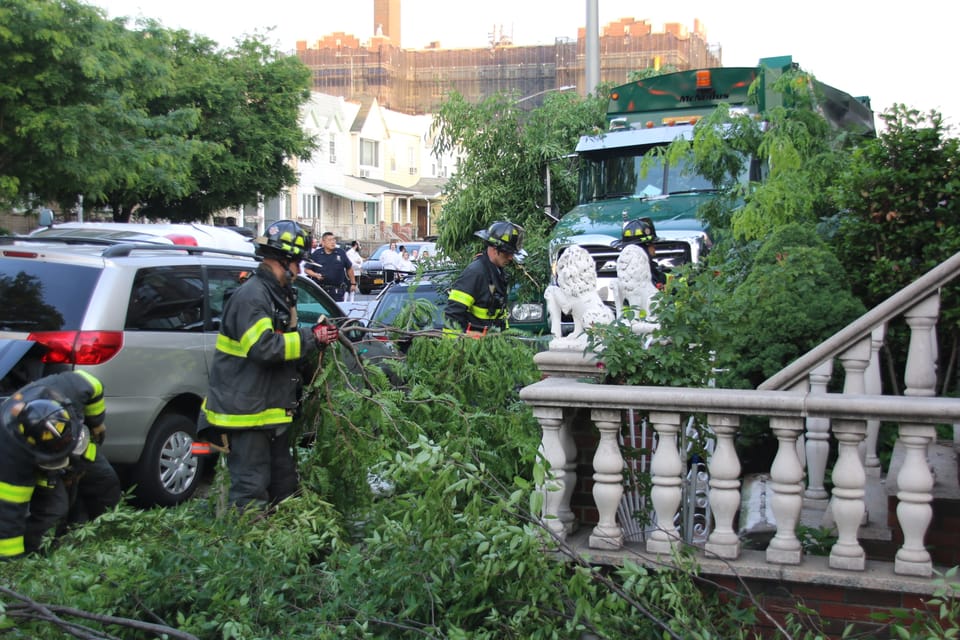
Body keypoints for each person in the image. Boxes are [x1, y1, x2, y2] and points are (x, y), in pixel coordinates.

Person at [202, 220, 340, 510]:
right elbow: (263, 348)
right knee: (251, 492)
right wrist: (310, 338)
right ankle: (250, 550)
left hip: (267, 413)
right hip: (246, 416)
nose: (300, 271)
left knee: (284, 487)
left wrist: (314, 346)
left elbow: (284, 347)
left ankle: (285, 548)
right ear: (284, 261)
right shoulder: (253, 296)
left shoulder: (275, 294)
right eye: (298, 264)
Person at [0, 371, 121, 559]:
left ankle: (104, 536)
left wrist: (97, 422)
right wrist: (14, 564)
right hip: (41, 467)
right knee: (53, 512)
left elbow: (93, 384)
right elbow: (8, 516)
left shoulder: (65, 388)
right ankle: (40, 554)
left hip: (78, 447)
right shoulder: (9, 457)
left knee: (106, 483)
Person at [444, 220, 526, 336]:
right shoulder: (475, 273)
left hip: (490, 344)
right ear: (494, 249)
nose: (511, 257)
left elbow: (500, 315)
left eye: (512, 253)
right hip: (471, 348)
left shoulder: (497, 272)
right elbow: (453, 314)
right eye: (507, 253)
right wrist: (456, 348)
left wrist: (506, 338)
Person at [303, 231, 357, 302]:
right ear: (323, 242)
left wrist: (353, 283)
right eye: (330, 240)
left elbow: (349, 268)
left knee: (336, 311)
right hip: (320, 290)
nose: (333, 242)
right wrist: (316, 275)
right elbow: (307, 269)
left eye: (334, 240)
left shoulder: (340, 253)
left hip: (337, 290)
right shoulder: (317, 254)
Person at [615, 217, 666, 289]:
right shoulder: (646, 276)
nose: (654, 248)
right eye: (652, 244)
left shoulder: (625, 275)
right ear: (645, 248)